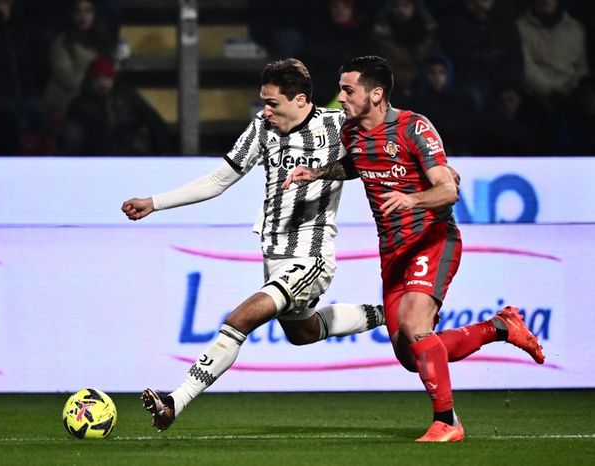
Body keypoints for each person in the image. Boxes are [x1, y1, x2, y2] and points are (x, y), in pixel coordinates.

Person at [283, 55, 545, 442]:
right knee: (411, 355)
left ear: (375, 94)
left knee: (414, 325)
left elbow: (448, 188)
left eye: (348, 90)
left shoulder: (413, 127)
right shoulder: (352, 132)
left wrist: (412, 200)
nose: (340, 97)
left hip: (432, 240)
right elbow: (355, 165)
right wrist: (318, 172)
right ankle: (500, 328)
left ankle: (447, 422)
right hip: (393, 252)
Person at [122, 58, 385, 432]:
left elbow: (382, 151)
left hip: (310, 256)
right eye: (263, 100)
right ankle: (388, 312)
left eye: (273, 102)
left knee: (238, 321)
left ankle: (174, 401)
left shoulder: (337, 126)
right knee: (303, 332)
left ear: (299, 100)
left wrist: (430, 170)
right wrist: (155, 202)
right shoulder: (263, 129)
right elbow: (218, 180)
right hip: (274, 256)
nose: (265, 109)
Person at [59, 56, 169, 155]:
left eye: (107, 78)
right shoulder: (79, 106)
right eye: (97, 78)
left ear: (113, 79)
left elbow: (154, 121)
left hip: (128, 156)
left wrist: (159, 157)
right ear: (90, 80)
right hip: (95, 161)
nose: (102, 83)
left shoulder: (127, 97)